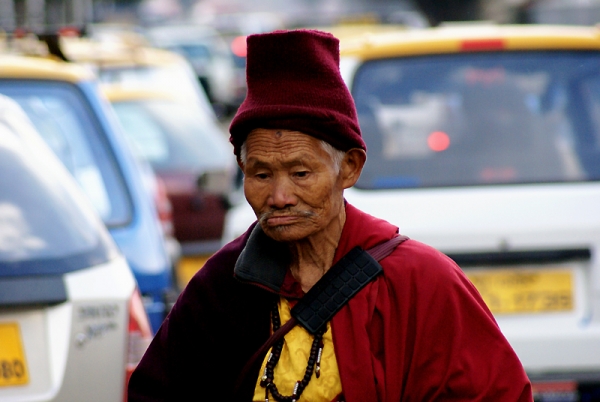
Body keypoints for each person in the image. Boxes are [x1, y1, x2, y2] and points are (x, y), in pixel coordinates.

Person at [128, 29, 532, 401]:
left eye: (301, 173)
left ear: (350, 168)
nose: (279, 196)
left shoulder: (423, 282)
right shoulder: (221, 288)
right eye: (261, 174)